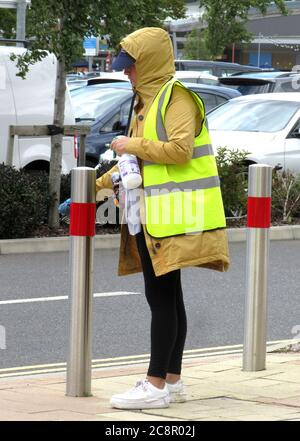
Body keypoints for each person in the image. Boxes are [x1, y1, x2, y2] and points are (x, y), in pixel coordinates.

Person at [95, 27, 230, 410]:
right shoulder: (144, 102)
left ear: (149, 63)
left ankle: (154, 386)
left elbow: (179, 150)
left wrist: (129, 143)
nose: (126, 74)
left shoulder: (176, 98)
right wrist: (94, 185)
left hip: (172, 214)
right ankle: (171, 380)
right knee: (170, 297)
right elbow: (133, 161)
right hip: (153, 213)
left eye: (131, 67)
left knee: (161, 298)